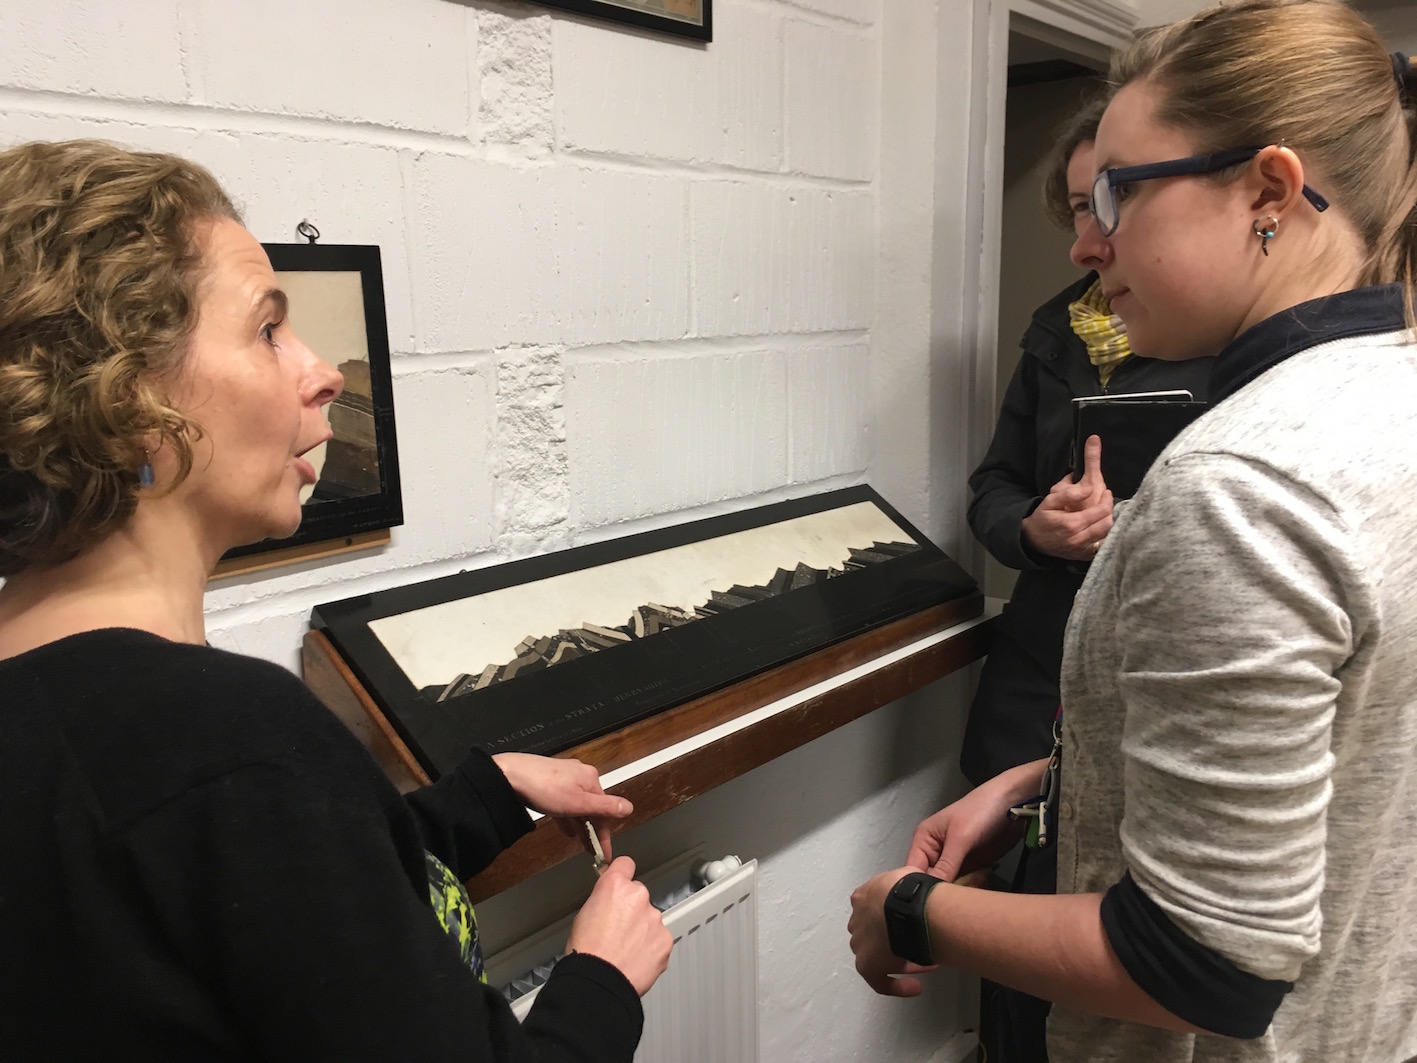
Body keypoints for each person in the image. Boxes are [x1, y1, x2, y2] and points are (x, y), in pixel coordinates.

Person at [0, 140, 672, 1062]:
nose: (323, 371)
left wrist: (473, 801)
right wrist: (600, 977)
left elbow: (255, 897)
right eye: (268, 329)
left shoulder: (75, 723)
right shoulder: (230, 737)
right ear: (129, 395)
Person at [849, 2, 1417, 1061]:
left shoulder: (1241, 487)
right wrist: (1045, 783)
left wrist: (909, 907)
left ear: (1268, 192)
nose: (1082, 241)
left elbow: (1204, 960)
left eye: (1114, 193)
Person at [962, 96, 1215, 1063]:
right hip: (1037, 680)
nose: (1092, 235)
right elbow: (990, 486)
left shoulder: (1252, 344)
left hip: (1169, 685)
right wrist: (1032, 528)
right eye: (1076, 205)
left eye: (1114, 199)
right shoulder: (1057, 328)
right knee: (1013, 959)